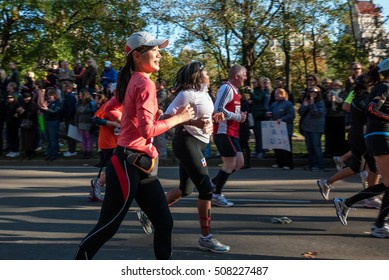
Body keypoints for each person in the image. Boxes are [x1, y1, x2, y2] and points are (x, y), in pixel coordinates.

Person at [74, 31, 194, 260]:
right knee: (107, 226)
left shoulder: (133, 81)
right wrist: (179, 118)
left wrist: (131, 120)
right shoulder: (144, 84)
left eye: (160, 50)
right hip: (128, 164)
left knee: (164, 222)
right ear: (138, 56)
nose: (160, 54)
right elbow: (147, 131)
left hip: (138, 165)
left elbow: (111, 110)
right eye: (155, 50)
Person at [146, 61, 229, 253]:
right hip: (186, 142)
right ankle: (206, 238)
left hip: (197, 143)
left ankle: (148, 213)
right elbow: (164, 118)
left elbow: (203, 115)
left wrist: (215, 117)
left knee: (185, 190)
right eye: (206, 71)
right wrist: (194, 122)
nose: (209, 74)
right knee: (207, 190)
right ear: (198, 75)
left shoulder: (204, 92)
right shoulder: (186, 94)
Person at [333, 58, 389, 238]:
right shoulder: (384, 87)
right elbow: (372, 109)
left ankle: (346, 203)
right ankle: (378, 225)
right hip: (380, 137)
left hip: (381, 136)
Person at [317, 74, 380, 204]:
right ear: (368, 85)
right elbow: (374, 113)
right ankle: (370, 197)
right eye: (373, 83)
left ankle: (327, 182)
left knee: (356, 167)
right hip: (362, 134)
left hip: (355, 133)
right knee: (375, 166)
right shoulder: (365, 99)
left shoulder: (358, 98)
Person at [211, 64, 247, 207]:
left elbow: (229, 110)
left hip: (232, 132)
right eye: (244, 75)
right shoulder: (226, 88)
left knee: (239, 163)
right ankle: (216, 194)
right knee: (230, 164)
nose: (246, 78)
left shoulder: (235, 90)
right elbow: (218, 109)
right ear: (236, 76)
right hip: (223, 132)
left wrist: (240, 116)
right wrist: (238, 117)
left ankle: (213, 183)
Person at [89, 85, 122, 202]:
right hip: (109, 142)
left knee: (117, 169)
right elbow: (96, 119)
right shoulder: (108, 105)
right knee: (113, 169)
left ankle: (98, 184)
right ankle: (98, 183)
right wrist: (113, 123)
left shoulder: (126, 106)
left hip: (121, 142)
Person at [298, 86, 326, 171]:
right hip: (307, 127)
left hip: (316, 128)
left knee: (316, 146)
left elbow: (316, 113)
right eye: (311, 92)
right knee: (309, 147)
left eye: (315, 92)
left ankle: (318, 164)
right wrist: (305, 106)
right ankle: (311, 164)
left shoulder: (321, 103)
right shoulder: (307, 101)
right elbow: (300, 112)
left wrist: (312, 104)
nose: (313, 94)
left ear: (318, 94)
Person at [267, 88, 295, 170]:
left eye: (278, 93)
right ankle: (279, 163)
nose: (276, 95)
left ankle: (288, 164)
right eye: (275, 93)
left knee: (286, 147)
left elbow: (291, 115)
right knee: (277, 146)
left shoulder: (288, 104)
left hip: (286, 128)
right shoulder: (274, 104)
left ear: (283, 94)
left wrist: (282, 119)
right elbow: (271, 114)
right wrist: (269, 114)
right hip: (276, 129)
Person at [41, 88, 62, 161]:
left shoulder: (57, 102)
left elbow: (56, 111)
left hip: (53, 122)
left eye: (51, 95)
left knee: (53, 139)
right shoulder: (48, 102)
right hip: (47, 121)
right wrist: (43, 107)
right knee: (48, 139)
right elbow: (43, 110)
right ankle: (49, 153)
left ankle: (54, 154)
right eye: (48, 95)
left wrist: (47, 109)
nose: (49, 96)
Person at [17, 92, 38, 159]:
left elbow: (31, 113)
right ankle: (26, 151)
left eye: (27, 97)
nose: (26, 99)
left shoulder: (33, 104)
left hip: (32, 124)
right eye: (25, 98)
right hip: (24, 124)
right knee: (25, 138)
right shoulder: (23, 104)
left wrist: (23, 111)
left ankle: (32, 152)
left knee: (31, 139)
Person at [75, 89, 95, 159]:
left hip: (88, 122)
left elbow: (93, 111)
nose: (79, 95)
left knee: (88, 137)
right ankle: (84, 151)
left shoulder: (90, 102)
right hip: (80, 122)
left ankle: (89, 151)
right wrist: (76, 123)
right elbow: (76, 113)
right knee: (83, 138)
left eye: (80, 94)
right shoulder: (79, 103)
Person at [250, 78, 267, 159]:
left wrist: (251, 92)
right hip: (254, 115)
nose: (253, 84)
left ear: (258, 83)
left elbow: (258, 99)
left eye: (254, 82)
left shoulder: (261, 91)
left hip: (260, 116)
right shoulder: (255, 92)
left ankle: (261, 151)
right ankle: (257, 150)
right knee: (256, 135)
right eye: (252, 82)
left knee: (260, 135)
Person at [61, 81, 78, 157]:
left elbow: (71, 109)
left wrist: (66, 116)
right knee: (69, 134)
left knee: (71, 135)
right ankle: (71, 149)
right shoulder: (68, 96)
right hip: (69, 118)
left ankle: (72, 150)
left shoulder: (70, 97)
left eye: (64, 87)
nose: (63, 89)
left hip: (70, 118)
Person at [153, 79, 168, 159]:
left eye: (157, 83)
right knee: (155, 134)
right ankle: (157, 152)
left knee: (160, 135)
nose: (156, 84)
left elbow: (156, 102)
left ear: (161, 84)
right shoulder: (159, 92)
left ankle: (162, 154)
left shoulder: (163, 93)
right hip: (156, 113)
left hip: (160, 114)